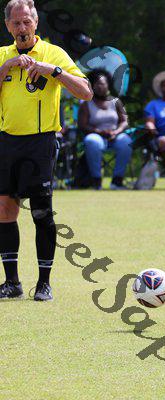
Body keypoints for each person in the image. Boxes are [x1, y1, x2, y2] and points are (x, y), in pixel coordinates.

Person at [0, 0, 92, 301]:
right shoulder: (2, 55)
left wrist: (52, 71)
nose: (22, 27)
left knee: (41, 212)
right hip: (6, 141)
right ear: (7, 26)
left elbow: (86, 92)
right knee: (5, 210)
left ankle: (44, 283)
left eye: (26, 21)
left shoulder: (54, 53)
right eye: (16, 23)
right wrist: (6, 68)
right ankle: (12, 283)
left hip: (40, 142)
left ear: (36, 22)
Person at [79, 69, 131, 190]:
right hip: (96, 135)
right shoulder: (86, 104)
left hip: (115, 136)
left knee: (126, 142)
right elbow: (82, 125)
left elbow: (125, 121)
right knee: (91, 141)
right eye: (96, 84)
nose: (100, 87)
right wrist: (98, 132)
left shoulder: (116, 102)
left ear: (108, 85)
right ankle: (96, 180)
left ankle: (117, 181)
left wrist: (116, 132)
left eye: (102, 83)